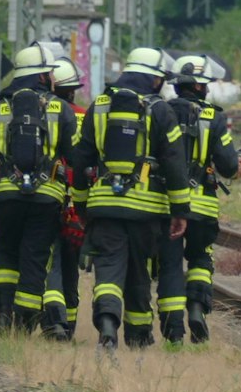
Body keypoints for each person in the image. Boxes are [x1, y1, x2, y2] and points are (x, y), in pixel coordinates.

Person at [67, 46, 190, 350]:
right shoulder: (161, 110)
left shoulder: (99, 106)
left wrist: (81, 205)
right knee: (138, 273)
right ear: (152, 79)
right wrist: (180, 210)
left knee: (107, 269)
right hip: (146, 211)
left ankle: (107, 326)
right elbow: (175, 162)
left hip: (104, 207)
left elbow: (81, 159)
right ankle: (138, 337)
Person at [0, 43, 73, 335]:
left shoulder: (0, 107)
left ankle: (3, 314)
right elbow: (76, 157)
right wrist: (77, 199)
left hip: (8, 196)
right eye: (50, 73)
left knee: (6, 251)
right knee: (35, 256)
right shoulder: (59, 108)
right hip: (47, 198)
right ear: (41, 76)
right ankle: (24, 325)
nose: (53, 78)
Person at [170, 54, 241, 344]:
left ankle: (173, 322)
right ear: (202, 87)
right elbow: (227, 166)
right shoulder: (215, 117)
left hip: (168, 205)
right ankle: (197, 309)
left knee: (170, 262)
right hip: (202, 207)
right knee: (200, 257)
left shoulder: (161, 111)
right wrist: (236, 166)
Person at [41, 57, 88, 342]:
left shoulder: (39, 112)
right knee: (71, 263)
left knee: (51, 259)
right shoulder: (84, 115)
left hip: (49, 196)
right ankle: (68, 325)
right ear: (72, 89)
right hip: (78, 203)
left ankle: (53, 319)